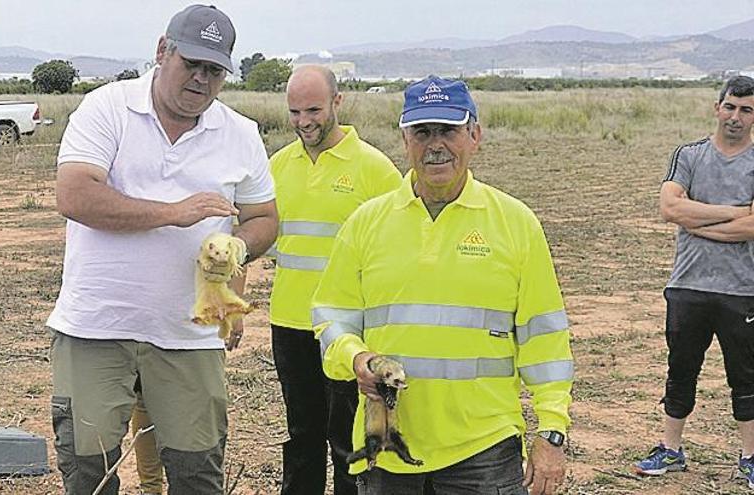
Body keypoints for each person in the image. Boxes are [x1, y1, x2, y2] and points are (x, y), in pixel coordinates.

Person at [46, 5, 278, 494]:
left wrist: (238, 247)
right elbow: (75, 196)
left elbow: (263, 219)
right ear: (161, 51)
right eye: (190, 63)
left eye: (214, 70)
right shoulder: (107, 108)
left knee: (197, 474)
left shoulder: (241, 133)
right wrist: (173, 213)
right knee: (89, 471)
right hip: (96, 328)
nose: (200, 78)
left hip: (189, 336)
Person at [311, 75, 573, 495]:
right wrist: (356, 357)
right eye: (422, 132)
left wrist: (552, 430)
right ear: (405, 140)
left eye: (448, 130)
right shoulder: (365, 224)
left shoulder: (516, 223)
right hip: (390, 447)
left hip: (484, 450)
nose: (435, 144)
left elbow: (546, 340)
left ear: (475, 135)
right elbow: (331, 318)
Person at [269, 65, 403, 494]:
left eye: (313, 109)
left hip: (348, 332)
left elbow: (397, 255)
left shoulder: (374, 169)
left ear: (338, 103)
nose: (304, 121)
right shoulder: (276, 166)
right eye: (294, 112)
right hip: (290, 325)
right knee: (302, 435)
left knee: (347, 441)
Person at [634, 75, 754, 486]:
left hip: (743, 289)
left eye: (746, 109)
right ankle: (670, 450)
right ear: (716, 107)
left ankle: (749, 457)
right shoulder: (689, 155)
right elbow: (670, 208)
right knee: (681, 370)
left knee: (747, 376)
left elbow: (752, 227)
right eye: (730, 107)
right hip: (688, 285)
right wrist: (736, 212)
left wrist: (697, 217)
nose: (736, 117)